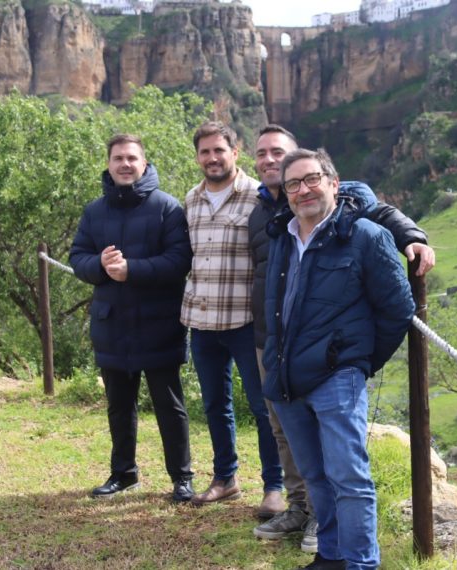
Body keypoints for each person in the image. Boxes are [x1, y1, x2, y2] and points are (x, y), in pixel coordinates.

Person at [248, 125, 435, 553]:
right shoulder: (283, 235)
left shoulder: (364, 234)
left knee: (349, 478)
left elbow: (397, 310)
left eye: (312, 179)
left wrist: (355, 361)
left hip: (337, 378)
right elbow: (278, 306)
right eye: (294, 184)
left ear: (334, 183)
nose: (303, 190)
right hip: (287, 378)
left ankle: (361, 562)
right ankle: (330, 556)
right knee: (315, 476)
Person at [69, 134, 195, 502]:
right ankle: (123, 474)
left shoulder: (167, 208)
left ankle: (182, 478)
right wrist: (101, 267)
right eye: (118, 158)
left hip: (159, 325)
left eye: (132, 158)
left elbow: (179, 261)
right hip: (112, 326)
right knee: (118, 407)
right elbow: (78, 257)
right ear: (108, 163)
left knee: (169, 406)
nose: (125, 164)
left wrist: (132, 270)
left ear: (144, 163)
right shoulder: (94, 211)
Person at [181, 122, 283, 515]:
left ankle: (273, 487)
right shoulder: (191, 199)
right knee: (214, 406)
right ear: (197, 157)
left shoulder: (258, 198)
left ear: (235, 152)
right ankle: (225, 479)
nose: (212, 158)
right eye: (205, 152)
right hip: (202, 321)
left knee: (262, 407)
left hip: (245, 321)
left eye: (219, 150)